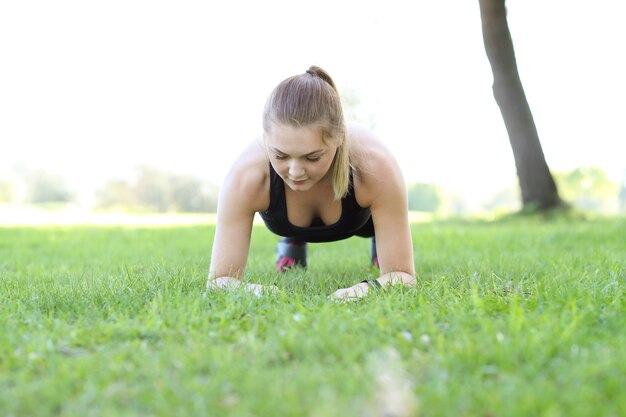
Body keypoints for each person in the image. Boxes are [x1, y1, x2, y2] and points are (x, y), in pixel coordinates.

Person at [207, 66, 415, 301]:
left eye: (312, 157)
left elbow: (403, 276)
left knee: (379, 235)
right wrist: (261, 292)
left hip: (361, 221)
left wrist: (363, 290)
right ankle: (293, 239)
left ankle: (380, 238)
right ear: (265, 139)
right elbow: (218, 280)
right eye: (281, 155)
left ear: (339, 138)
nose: (295, 172)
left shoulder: (374, 167)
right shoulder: (246, 176)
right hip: (286, 221)